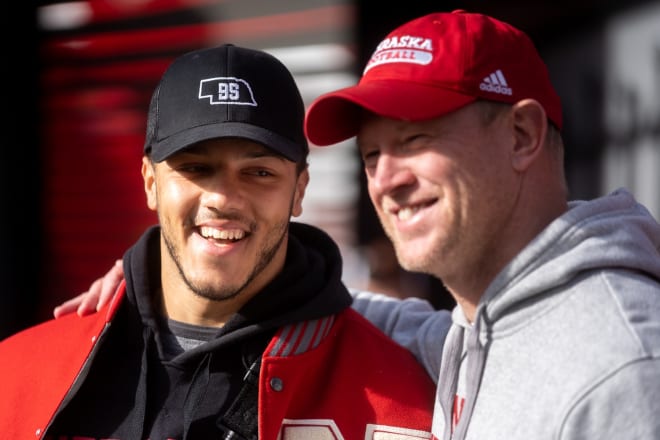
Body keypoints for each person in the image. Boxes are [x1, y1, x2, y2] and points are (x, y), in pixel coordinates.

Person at [66, 10, 660, 440]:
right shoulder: (476, 329)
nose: (387, 180)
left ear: (522, 135)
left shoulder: (623, 364)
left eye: (415, 139)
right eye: (371, 155)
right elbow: (332, 305)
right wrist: (172, 264)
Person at [0, 44, 438, 440]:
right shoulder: (16, 373)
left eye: (259, 172)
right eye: (195, 168)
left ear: (299, 190)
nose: (223, 199)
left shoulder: (404, 403)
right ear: (150, 181)